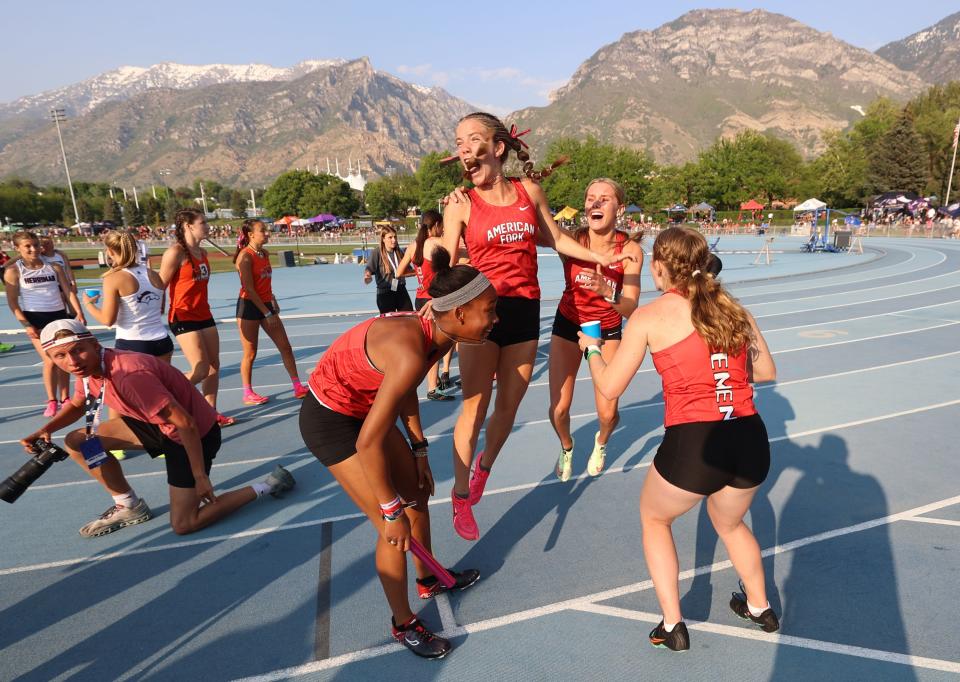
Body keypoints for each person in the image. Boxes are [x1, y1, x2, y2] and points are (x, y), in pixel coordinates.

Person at [579, 226, 779, 651]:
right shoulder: (734, 310)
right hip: (748, 437)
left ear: (661, 267)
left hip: (696, 443)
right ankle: (760, 607)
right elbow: (765, 374)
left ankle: (673, 625)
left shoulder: (650, 317)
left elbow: (611, 388)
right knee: (729, 522)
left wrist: (591, 349)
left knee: (655, 519)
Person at [439, 112, 636, 540]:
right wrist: (437, 294)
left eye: (472, 139)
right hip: (481, 315)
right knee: (474, 408)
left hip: (526, 311)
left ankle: (483, 471)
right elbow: (447, 263)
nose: (463, 148)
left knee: (507, 408)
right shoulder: (461, 203)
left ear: (498, 148)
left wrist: (598, 257)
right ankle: (458, 495)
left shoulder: (529, 192)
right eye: (457, 142)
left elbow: (556, 237)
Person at [299, 247, 494, 659]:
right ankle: (403, 622)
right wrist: (390, 510)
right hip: (331, 421)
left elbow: (404, 391)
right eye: (490, 310)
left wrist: (419, 450)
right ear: (459, 313)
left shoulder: (441, 336)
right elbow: (367, 441)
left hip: (367, 411)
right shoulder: (409, 347)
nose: (496, 319)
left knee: (419, 493)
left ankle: (428, 577)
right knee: (393, 527)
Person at [21, 319, 295, 538]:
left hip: (192, 435)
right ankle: (128, 504)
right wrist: (46, 428)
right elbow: (81, 403)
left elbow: (185, 423)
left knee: (185, 524)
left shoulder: (128, 375)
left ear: (94, 344)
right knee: (79, 440)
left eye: (77, 351)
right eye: (60, 356)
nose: (72, 361)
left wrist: (200, 477)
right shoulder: (89, 368)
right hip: (154, 425)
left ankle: (269, 484)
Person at [549, 179, 643, 481]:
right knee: (559, 410)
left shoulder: (629, 250)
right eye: (590, 198)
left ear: (620, 208)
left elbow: (630, 307)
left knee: (607, 413)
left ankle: (601, 442)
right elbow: (536, 225)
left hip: (607, 329)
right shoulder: (572, 241)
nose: (596, 203)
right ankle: (567, 446)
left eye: (605, 199)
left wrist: (608, 290)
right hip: (568, 323)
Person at [159, 208, 234, 426]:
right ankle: (166, 400)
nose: (208, 226)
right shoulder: (176, 253)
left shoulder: (202, 253)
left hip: (204, 313)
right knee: (200, 368)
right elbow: (160, 285)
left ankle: (210, 412)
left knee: (213, 365)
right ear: (188, 226)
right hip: (183, 315)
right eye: (203, 223)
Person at [3, 231, 84, 417]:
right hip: (35, 319)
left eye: (36, 245)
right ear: (17, 248)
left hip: (59, 316)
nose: (34, 249)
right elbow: (13, 302)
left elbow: (68, 291)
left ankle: (65, 397)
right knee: (50, 360)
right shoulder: (14, 271)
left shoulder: (54, 267)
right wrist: (26, 324)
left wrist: (78, 311)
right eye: (28, 246)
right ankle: (52, 400)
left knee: (64, 358)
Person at [233, 219, 308, 405]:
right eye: (263, 230)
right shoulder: (246, 256)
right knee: (250, 352)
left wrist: (272, 300)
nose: (267, 233)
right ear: (251, 235)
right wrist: (267, 313)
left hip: (266, 304)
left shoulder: (264, 253)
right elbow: (249, 289)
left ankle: (297, 386)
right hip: (249, 307)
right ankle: (247, 392)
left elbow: (264, 283)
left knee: (285, 347)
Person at [83, 230, 173, 361]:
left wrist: (88, 304)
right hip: (162, 341)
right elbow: (160, 309)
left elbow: (107, 320)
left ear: (110, 251)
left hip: (133, 343)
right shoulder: (154, 274)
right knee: (163, 382)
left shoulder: (114, 278)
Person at [394, 210, 455, 401]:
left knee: (427, 342)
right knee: (437, 344)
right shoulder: (435, 243)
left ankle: (431, 382)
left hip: (419, 298)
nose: (443, 228)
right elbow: (459, 252)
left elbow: (398, 273)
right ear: (436, 225)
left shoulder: (413, 246)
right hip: (434, 299)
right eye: (442, 225)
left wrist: (418, 275)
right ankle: (432, 387)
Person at [363, 225, 414, 314]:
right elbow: (369, 269)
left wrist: (418, 271)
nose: (394, 240)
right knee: (390, 323)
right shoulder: (377, 252)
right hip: (385, 292)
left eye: (395, 237)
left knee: (409, 316)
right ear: (383, 239)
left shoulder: (399, 252)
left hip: (400, 289)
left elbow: (409, 270)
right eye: (390, 237)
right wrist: (367, 276)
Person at [39, 235, 77, 313]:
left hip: (67, 284)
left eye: (50, 242)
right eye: (46, 243)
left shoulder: (61, 255)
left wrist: (73, 284)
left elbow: (68, 269)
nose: (50, 245)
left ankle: (74, 323)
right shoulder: (40, 257)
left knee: (74, 310)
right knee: (63, 311)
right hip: (55, 286)